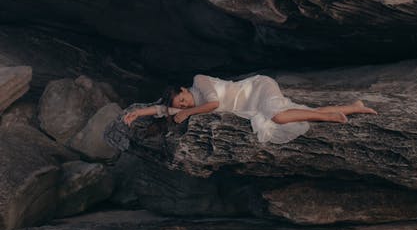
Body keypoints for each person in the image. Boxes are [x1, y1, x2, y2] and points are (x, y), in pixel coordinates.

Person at [122, 74, 376, 144]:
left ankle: (329, 117)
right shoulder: (181, 104)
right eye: (181, 106)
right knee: (291, 112)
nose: (184, 106)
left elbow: (214, 104)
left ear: (184, 90)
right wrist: (138, 113)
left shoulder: (200, 81)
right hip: (250, 106)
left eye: (183, 101)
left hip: (257, 88)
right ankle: (354, 107)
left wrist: (187, 113)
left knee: (277, 117)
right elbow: (162, 110)